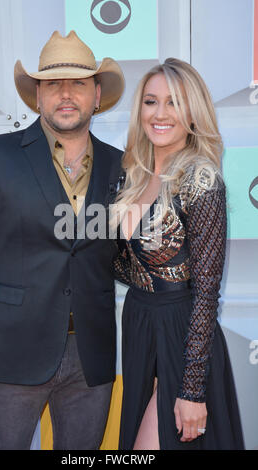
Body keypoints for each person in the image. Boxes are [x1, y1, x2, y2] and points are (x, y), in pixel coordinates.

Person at [0, 30, 125, 450]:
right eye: (53, 84)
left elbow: (130, 256)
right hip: (8, 355)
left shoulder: (121, 166)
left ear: (97, 93)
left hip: (92, 359)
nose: (65, 94)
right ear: (37, 96)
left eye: (78, 83)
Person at [111, 58, 245, 450]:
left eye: (174, 102)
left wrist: (192, 390)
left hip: (182, 331)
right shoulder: (131, 175)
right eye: (151, 101)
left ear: (193, 111)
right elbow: (129, 266)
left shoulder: (201, 178)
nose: (160, 114)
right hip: (139, 324)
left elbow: (205, 292)